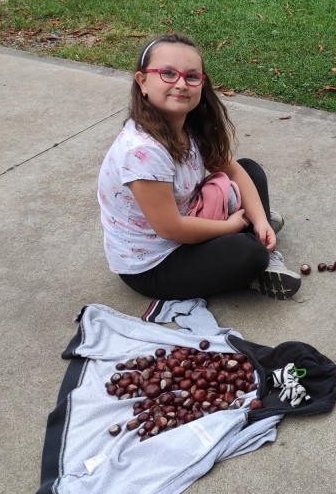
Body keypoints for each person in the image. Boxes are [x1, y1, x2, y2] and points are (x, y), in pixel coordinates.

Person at [98, 33, 301, 301]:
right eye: (168, 73)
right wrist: (230, 227)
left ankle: (256, 230)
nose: (181, 84)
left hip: (190, 214)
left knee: (250, 169)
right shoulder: (142, 152)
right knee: (249, 253)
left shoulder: (190, 125)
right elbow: (172, 229)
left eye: (192, 76)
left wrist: (261, 220)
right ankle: (255, 250)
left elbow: (234, 171)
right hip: (154, 263)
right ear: (142, 81)